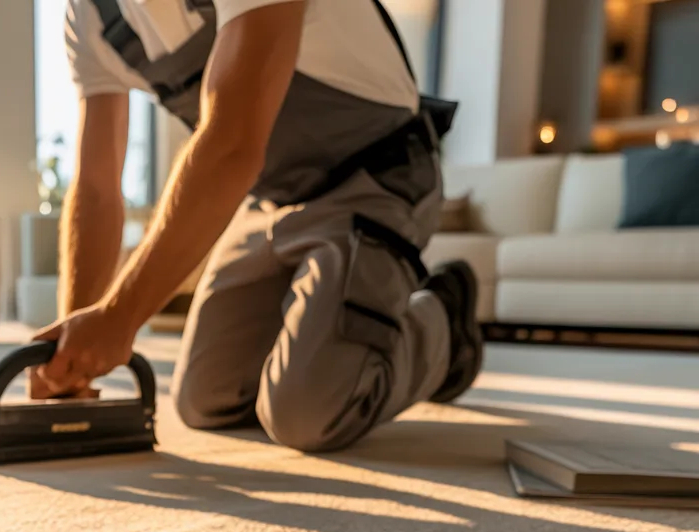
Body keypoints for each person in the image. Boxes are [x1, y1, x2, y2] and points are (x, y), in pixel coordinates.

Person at [33, 0, 482, 453]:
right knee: (207, 400)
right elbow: (95, 189)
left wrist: (119, 316)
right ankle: (335, 332)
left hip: (374, 175)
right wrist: (74, 358)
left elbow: (233, 144)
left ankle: (445, 323)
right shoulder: (91, 16)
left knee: (307, 413)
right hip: (271, 198)